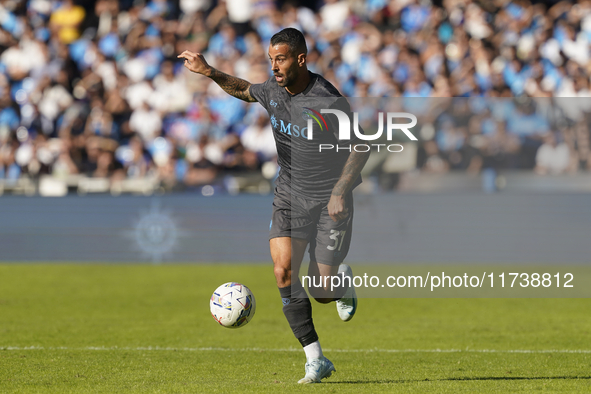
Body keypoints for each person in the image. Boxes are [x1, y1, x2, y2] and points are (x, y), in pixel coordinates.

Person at [179, 28, 369, 384]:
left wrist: (342, 190)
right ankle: (316, 359)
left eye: (280, 59)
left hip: (329, 199)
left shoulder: (328, 100)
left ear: (300, 59)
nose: (274, 67)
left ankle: (340, 284)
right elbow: (243, 90)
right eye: (271, 60)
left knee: (322, 290)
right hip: (289, 196)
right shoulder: (273, 90)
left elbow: (361, 146)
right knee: (283, 271)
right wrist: (209, 72)